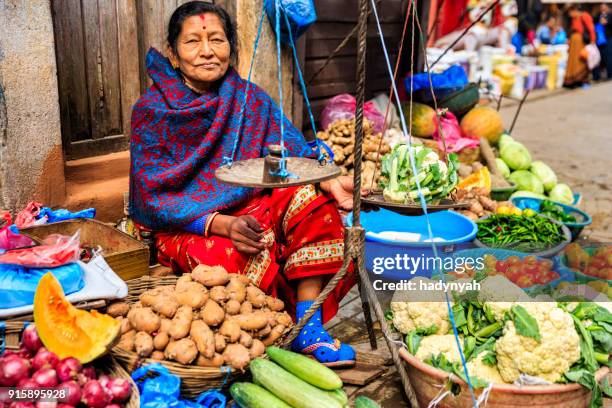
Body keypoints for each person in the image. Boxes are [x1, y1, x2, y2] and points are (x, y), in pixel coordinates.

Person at [129, 1, 358, 367]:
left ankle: (308, 326)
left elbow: (294, 156)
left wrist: (328, 183)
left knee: (312, 202)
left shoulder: (251, 99)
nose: (207, 51)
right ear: (173, 54)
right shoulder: (151, 112)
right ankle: (266, 330)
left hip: (251, 207)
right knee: (234, 260)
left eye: (217, 40)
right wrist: (221, 224)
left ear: (231, 48)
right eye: (193, 42)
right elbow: (152, 200)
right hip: (186, 225)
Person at [563, 4, 596, 88]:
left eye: (570, 12)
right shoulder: (573, 19)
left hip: (580, 42)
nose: (569, 14)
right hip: (574, 43)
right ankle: (573, 80)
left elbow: (591, 28)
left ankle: (581, 80)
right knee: (573, 62)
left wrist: (592, 40)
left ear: (574, 10)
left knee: (581, 61)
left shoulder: (584, 16)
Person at [594, 3, 612, 80]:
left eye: (604, 8)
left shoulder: (610, 15)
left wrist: (606, 22)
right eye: (601, 8)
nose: (602, 9)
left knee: (609, 56)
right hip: (600, 40)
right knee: (603, 57)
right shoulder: (599, 16)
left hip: (609, 38)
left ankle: (610, 74)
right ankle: (604, 73)